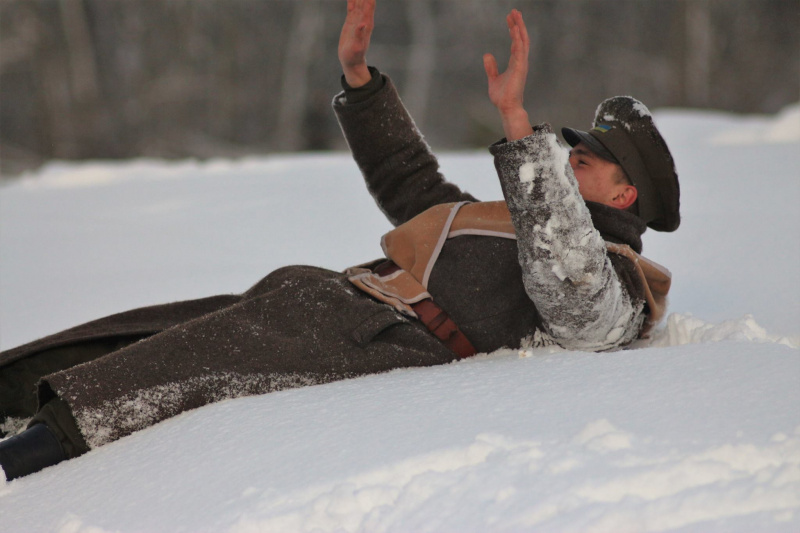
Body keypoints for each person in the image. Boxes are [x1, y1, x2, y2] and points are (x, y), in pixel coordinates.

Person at [0, 0, 679, 481]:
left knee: (147, 383)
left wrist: (517, 129)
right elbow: (413, 183)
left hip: (369, 341)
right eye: (574, 148)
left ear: (625, 197)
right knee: (123, 344)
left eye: (593, 159)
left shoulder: (620, 283)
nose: (572, 156)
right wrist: (360, 79)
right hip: (322, 305)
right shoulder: (515, 219)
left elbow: (571, 291)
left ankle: (18, 461)